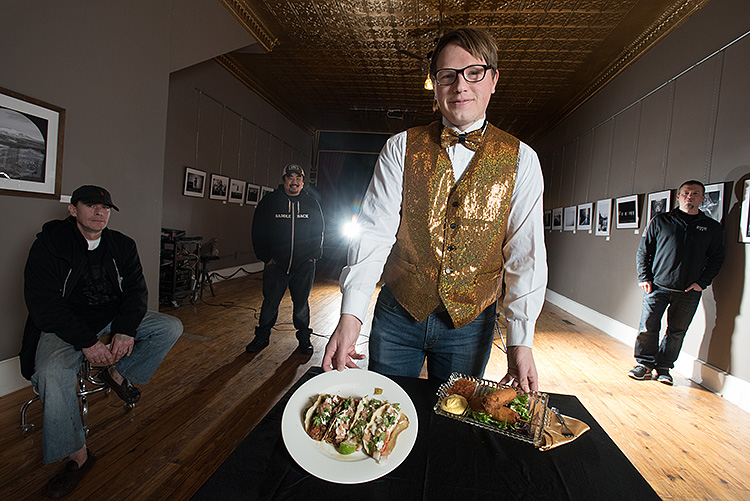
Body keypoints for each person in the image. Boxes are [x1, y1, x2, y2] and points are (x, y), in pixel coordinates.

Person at [322, 28, 547, 392]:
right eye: (447, 75)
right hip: (398, 313)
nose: (460, 86)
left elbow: (525, 255)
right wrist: (350, 317)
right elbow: (374, 233)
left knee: (452, 424)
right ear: (436, 84)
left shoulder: (523, 160)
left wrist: (521, 342)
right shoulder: (400, 147)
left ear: (493, 79)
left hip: (471, 325)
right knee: (385, 405)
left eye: (473, 72)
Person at [19, 185, 183, 498]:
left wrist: (125, 328)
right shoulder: (49, 245)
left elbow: (136, 291)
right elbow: (43, 304)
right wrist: (86, 342)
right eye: (92, 206)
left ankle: (117, 374)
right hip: (64, 325)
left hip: (110, 316)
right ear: (73, 209)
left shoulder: (121, 244)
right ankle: (78, 457)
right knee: (52, 373)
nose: (100, 213)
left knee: (170, 327)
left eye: (105, 208)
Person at [629, 180, 725, 385]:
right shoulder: (661, 221)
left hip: (688, 291)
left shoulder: (711, 228)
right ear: (679, 196)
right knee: (647, 327)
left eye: (695, 194)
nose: (690, 197)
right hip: (656, 286)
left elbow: (717, 258)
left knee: (677, 332)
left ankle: (663, 368)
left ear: (702, 198)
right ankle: (644, 365)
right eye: (686, 193)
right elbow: (644, 251)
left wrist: (702, 283)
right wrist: (644, 277)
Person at [246, 164, 325, 355]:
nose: (294, 181)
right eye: (290, 177)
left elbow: (319, 231)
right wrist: (266, 257)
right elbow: (258, 231)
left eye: (298, 178)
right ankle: (262, 336)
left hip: (304, 266)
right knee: (270, 303)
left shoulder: (312, 203)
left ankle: (304, 339)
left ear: (303, 182)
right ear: (284, 180)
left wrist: (313, 256)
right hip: (276, 266)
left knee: (301, 305)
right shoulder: (270, 202)